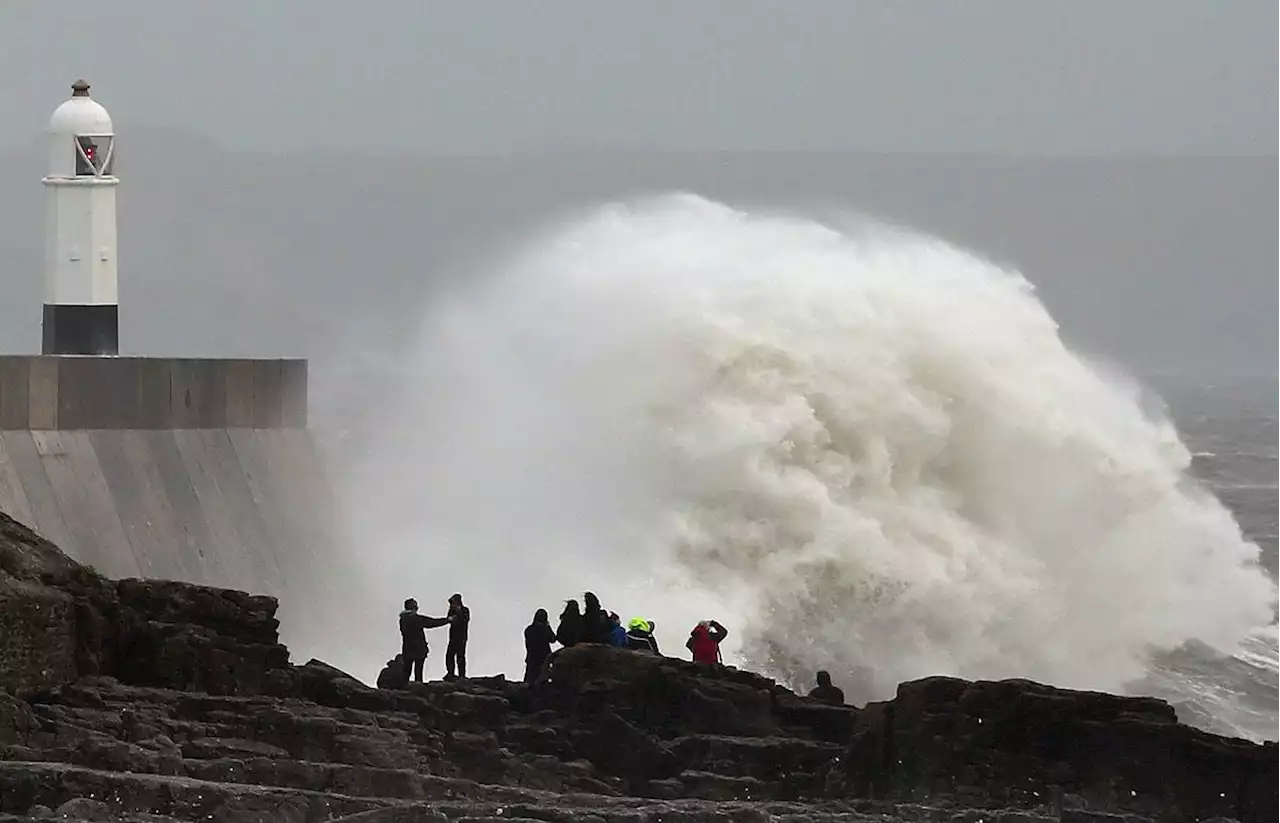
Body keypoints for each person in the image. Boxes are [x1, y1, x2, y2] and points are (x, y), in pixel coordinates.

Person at [399, 598, 451, 683]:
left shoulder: (402, 620)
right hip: (419, 650)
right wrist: (448, 620)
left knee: (406, 672)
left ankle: (403, 689)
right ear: (414, 608)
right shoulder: (416, 619)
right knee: (418, 673)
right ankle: (417, 690)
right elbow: (432, 622)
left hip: (407, 650)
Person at [524, 608, 558, 683]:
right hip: (544, 658)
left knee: (529, 679)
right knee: (542, 680)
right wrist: (548, 626)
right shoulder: (545, 629)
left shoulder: (529, 629)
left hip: (532, 657)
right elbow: (553, 639)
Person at [445, 593, 471, 680]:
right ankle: (451, 673)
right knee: (449, 656)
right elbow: (448, 619)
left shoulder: (465, 610)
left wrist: (459, 611)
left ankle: (461, 675)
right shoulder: (452, 611)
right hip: (453, 637)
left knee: (460, 656)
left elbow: (465, 620)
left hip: (461, 638)